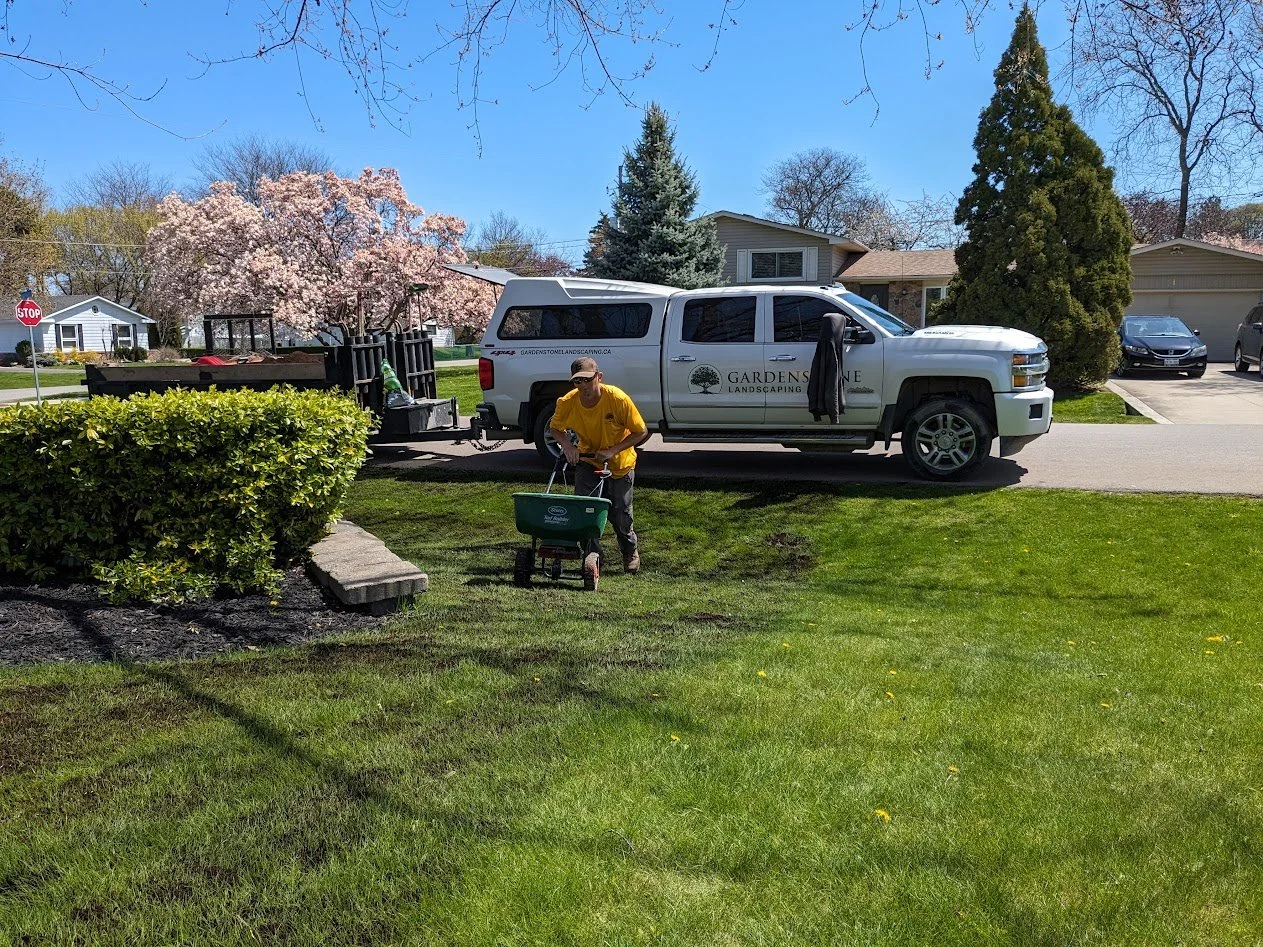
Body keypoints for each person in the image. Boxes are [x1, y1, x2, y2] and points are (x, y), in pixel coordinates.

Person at [550, 356, 647, 574]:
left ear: (598, 377)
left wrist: (613, 450)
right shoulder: (567, 402)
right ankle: (592, 556)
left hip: (619, 464)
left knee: (620, 514)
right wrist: (568, 446)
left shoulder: (617, 399)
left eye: (587, 380)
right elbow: (555, 429)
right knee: (586, 510)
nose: (582, 386)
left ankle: (629, 551)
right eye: (577, 381)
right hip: (588, 460)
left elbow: (640, 431)